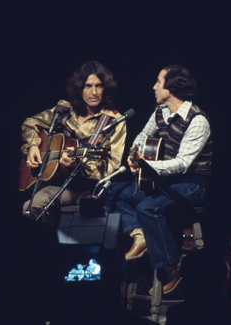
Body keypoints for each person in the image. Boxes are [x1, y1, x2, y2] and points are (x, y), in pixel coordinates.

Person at [105, 64, 212, 294]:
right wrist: (135, 154)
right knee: (110, 190)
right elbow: (143, 136)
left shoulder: (198, 120)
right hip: (164, 184)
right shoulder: (160, 111)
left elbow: (182, 163)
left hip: (191, 185)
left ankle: (172, 268)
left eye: (158, 82)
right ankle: (139, 234)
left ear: (172, 87)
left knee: (148, 207)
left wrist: (147, 165)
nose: (154, 86)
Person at [20, 61, 126, 222]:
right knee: (31, 208)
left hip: (90, 189)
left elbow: (113, 165)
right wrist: (33, 145)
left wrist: (81, 165)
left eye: (99, 86)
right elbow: (30, 123)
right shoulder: (64, 110)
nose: (94, 92)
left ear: (106, 89)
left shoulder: (114, 120)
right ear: (79, 88)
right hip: (58, 184)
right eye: (88, 86)